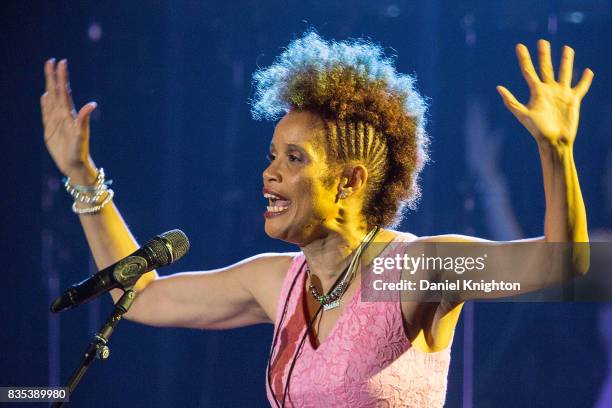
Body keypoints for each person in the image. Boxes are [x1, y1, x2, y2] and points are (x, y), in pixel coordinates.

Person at [40, 31, 593, 407]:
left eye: (294, 159)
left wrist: (556, 150)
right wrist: (84, 178)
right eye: (272, 155)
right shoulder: (275, 281)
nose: (270, 174)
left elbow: (560, 266)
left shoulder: (414, 270)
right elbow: (139, 294)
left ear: (350, 181)